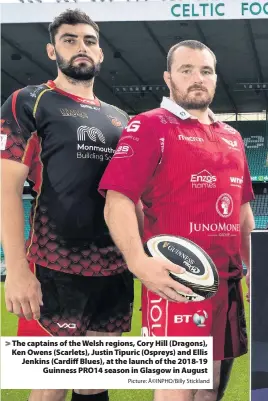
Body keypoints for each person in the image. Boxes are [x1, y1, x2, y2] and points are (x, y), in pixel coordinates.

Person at [99, 40, 255, 401]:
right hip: (176, 284)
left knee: (212, 387)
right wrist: (138, 262)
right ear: (168, 78)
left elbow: (243, 211)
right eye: (186, 70)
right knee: (177, 392)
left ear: (215, 78)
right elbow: (117, 201)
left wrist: (255, 268)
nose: (197, 78)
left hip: (228, 286)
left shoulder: (233, 137)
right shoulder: (149, 126)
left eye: (205, 71)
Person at [1, 9, 137, 401]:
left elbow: (130, 196)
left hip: (112, 268)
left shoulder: (121, 119)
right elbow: (6, 189)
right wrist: (17, 270)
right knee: (51, 385)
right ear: (51, 50)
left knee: (94, 382)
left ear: (101, 53)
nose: (82, 48)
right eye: (70, 39)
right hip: (56, 268)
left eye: (89, 41)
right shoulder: (30, 101)